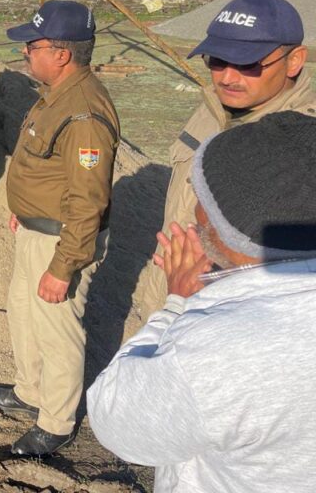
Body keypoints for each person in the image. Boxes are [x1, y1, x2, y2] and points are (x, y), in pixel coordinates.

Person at [88, 111, 316, 493]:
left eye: (202, 196)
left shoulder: (214, 353)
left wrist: (178, 304)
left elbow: (116, 421)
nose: (194, 210)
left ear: (223, 226)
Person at [0, 0, 120, 457]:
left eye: (33, 45)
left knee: (57, 331)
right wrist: (25, 209)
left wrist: (63, 267)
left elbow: (88, 200)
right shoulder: (57, 94)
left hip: (60, 240)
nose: (25, 52)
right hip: (35, 230)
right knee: (24, 314)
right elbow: (48, 169)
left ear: (61, 54)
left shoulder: (84, 114)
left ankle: (56, 421)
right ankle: (31, 391)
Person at [139, 0, 313, 317]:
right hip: (170, 294)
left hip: (232, 318)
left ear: (294, 61)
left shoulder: (303, 147)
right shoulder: (213, 108)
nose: (227, 78)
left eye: (248, 63)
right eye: (217, 61)